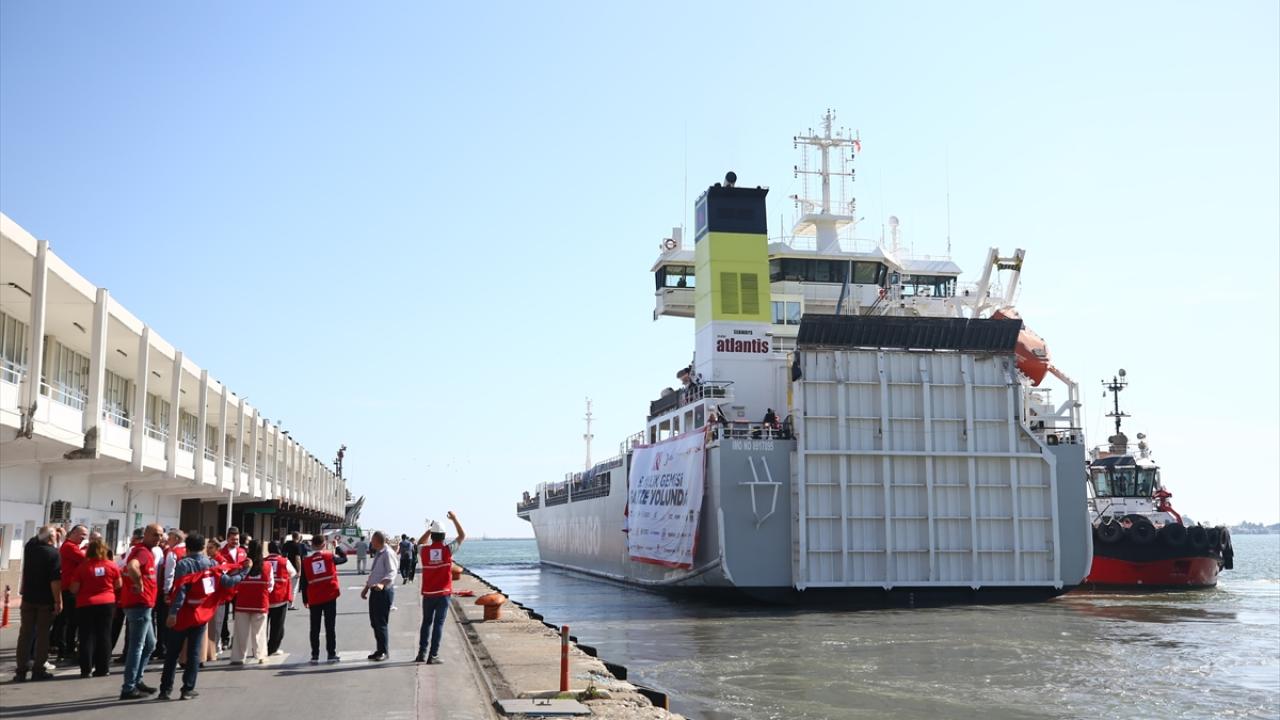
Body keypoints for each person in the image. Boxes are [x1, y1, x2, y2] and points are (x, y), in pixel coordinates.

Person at [158, 532, 248, 701]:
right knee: (194, 652)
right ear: (202, 547)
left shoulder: (183, 564)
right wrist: (244, 573)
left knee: (172, 653)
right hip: (201, 613)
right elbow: (228, 582)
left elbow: (180, 591)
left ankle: (166, 689)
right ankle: (188, 689)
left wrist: (173, 613)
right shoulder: (211, 564)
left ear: (188, 547)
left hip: (183, 614)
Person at [119, 523, 163, 700]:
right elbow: (132, 567)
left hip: (144, 606)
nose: (158, 539)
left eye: (160, 535)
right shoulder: (142, 552)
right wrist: (139, 583)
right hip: (139, 605)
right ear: (145, 534)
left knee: (150, 644)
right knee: (137, 646)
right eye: (155, 535)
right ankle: (128, 687)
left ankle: (137, 680)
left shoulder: (146, 551)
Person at [415, 512, 465, 664]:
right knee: (438, 624)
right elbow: (462, 535)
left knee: (426, 623)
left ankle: (421, 654)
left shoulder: (424, 551)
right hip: (443, 594)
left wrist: (430, 530)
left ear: (432, 536)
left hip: (428, 594)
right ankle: (433, 655)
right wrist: (455, 518)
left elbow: (419, 543)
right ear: (443, 536)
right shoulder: (447, 550)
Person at [68, 537, 121, 677]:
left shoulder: (82, 568)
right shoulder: (112, 566)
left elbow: (74, 589)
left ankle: (86, 669)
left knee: (86, 636)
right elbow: (118, 585)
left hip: (86, 604)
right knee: (104, 635)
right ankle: (103, 668)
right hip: (107, 603)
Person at [14, 525, 61, 682]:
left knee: (25, 635)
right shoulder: (53, 554)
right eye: (54, 537)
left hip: (28, 598)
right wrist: (57, 600)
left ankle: (21, 670)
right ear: (50, 538)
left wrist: (47, 532)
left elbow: (35, 539)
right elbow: (55, 581)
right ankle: (38, 669)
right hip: (45, 600)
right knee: (42, 636)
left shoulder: (30, 547)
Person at [300, 533, 347, 664]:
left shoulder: (306, 562)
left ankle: (314, 655)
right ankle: (331, 654)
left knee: (314, 627)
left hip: (314, 598)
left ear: (312, 545)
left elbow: (304, 582)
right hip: (330, 596)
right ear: (323, 545)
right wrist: (337, 547)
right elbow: (344, 559)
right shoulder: (329, 557)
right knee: (330, 626)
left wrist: (305, 600)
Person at [229, 540, 273, 665]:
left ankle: (238, 657)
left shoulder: (242, 565)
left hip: (243, 601)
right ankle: (260, 655)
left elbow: (235, 580)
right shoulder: (267, 566)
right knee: (259, 632)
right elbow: (270, 585)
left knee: (240, 632)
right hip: (260, 602)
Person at [360, 531, 397, 661]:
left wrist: (381, 584)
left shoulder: (388, 553)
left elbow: (392, 572)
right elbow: (374, 573)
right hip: (374, 590)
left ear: (378, 541)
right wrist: (366, 588)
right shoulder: (379, 553)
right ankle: (379, 649)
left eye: (372, 540)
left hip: (383, 591)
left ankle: (384, 651)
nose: (371, 543)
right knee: (374, 622)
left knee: (381, 623)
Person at [57, 524, 88, 661]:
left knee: (67, 620)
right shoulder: (70, 546)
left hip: (70, 587)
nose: (83, 538)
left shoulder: (72, 546)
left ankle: (65, 649)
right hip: (69, 588)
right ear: (73, 533)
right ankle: (66, 649)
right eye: (82, 535)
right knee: (71, 620)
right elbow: (86, 560)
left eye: (85, 535)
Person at [155, 529, 186, 662]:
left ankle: (165, 648)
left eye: (171, 537)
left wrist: (166, 591)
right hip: (184, 591)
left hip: (173, 590)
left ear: (177, 539)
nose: (168, 540)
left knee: (165, 621)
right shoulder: (186, 551)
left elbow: (169, 574)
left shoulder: (172, 553)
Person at [215, 527, 247, 651]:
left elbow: (246, 568)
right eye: (233, 539)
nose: (235, 541)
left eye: (237, 539)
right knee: (223, 617)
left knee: (238, 616)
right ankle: (225, 638)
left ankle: (236, 638)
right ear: (227, 538)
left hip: (239, 588)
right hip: (225, 588)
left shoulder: (243, 551)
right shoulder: (221, 552)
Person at [264, 541, 294, 656]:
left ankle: (262, 647)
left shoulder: (264, 561)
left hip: (266, 598)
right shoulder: (284, 561)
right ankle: (272, 648)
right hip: (280, 598)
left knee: (263, 626)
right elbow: (293, 573)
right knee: (277, 626)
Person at [281, 531, 302, 610]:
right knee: (293, 588)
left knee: (285, 587)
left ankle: (283, 603)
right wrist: (299, 570)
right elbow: (297, 558)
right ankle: (290, 605)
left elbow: (283, 555)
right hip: (294, 569)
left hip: (285, 568)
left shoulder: (286, 544)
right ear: (298, 537)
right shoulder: (297, 546)